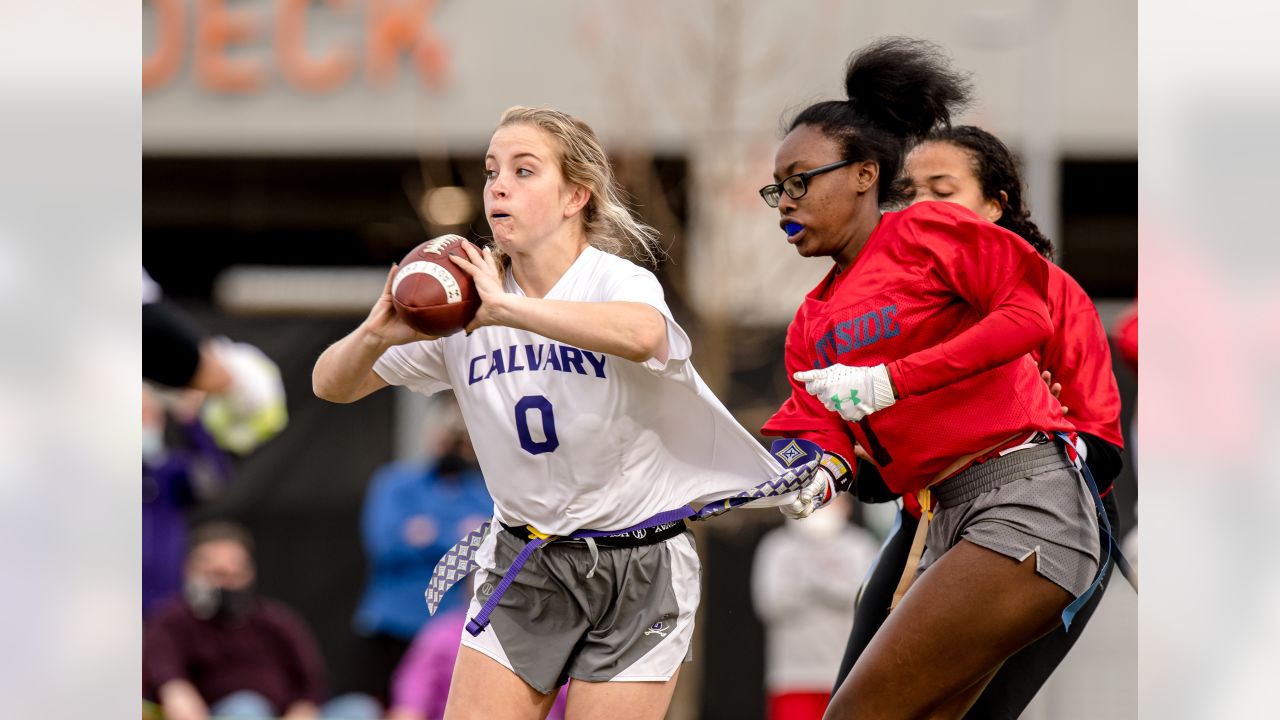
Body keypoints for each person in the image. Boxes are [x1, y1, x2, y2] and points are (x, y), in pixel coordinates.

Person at [313, 105, 817, 720]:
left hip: (640, 562)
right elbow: (331, 384)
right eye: (492, 170)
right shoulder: (467, 298)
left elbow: (641, 335)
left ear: (576, 194)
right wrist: (373, 332)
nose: (498, 185)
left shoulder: (612, 280)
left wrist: (508, 312)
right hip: (528, 561)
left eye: (524, 171)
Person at [758, 38, 1103, 718]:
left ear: (863, 173)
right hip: (941, 520)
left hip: (1023, 502)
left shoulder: (928, 232)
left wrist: (894, 379)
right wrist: (811, 471)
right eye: (777, 188)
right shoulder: (809, 321)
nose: (783, 203)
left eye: (800, 181)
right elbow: (811, 425)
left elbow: (1029, 312)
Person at [826, 124, 1129, 719]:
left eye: (943, 191)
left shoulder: (1051, 293)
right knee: (859, 702)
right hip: (928, 520)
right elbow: (890, 466)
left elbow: (1103, 446)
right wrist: (848, 465)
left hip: (1038, 511)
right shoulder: (888, 304)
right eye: (908, 193)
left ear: (995, 206)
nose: (920, 209)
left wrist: (1026, 430)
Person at [143, 522, 381, 720]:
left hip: (285, 714)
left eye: (234, 574)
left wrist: (302, 710)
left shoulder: (276, 620)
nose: (225, 584)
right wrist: (178, 696)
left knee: (360, 708)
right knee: (246, 709)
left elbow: (311, 683)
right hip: (225, 713)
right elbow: (170, 683)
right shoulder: (172, 621)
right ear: (190, 571)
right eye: (215, 574)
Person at [350, 395, 492, 703]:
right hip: (392, 628)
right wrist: (459, 538)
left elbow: (492, 556)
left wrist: (426, 534)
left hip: (453, 635)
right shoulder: (396, 483)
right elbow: (385, 545)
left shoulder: (486, 492)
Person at [751, 495, 880, 720]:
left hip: (847, 676)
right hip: (791, 678)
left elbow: (866, 601)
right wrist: (824, 582)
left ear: (847, 506)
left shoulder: (861, 546)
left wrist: (812, 583)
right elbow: (770, 603)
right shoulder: (776, 547)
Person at [142, 386, 235, 617]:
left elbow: (214, 478)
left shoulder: (169, 472)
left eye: (147, 415)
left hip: (162, 610)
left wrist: (191, 421)